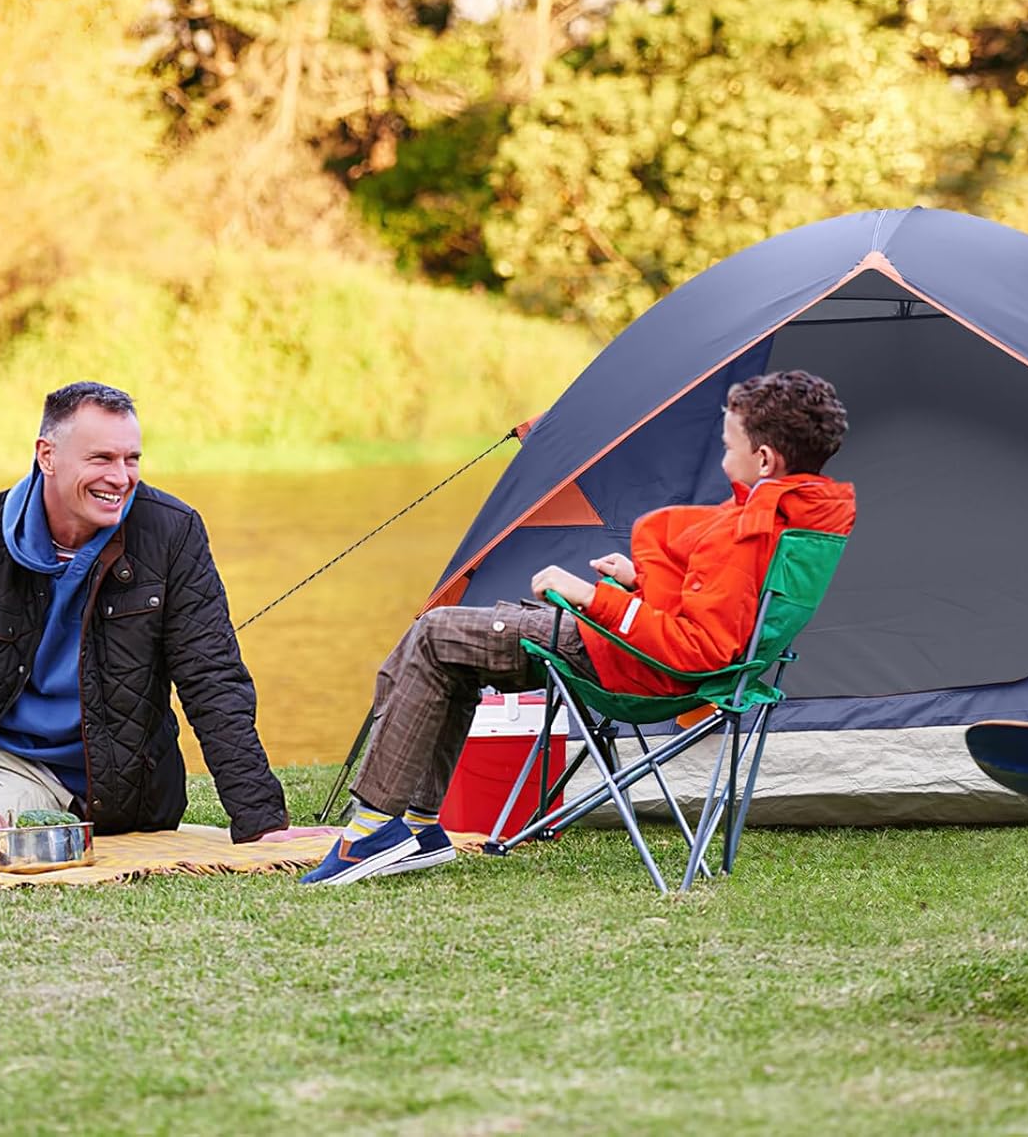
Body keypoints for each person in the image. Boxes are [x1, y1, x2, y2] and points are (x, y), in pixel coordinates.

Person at [302, 369, 856, 886]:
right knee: (451, 649)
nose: (723, 453)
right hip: (638, 659)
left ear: (764, 458)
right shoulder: (797, 519)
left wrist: (594, 598)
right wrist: (641, 579)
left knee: (433, 634)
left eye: (729, 444)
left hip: (627, 666)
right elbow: (722, 610)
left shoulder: (748, 533)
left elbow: (699, 647)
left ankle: (371, 832)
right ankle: (419, 828)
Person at [0, 381, 324, 845]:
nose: (121, 477)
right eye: (101, 458)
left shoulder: (173, 531)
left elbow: (213, 680)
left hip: (127, 786)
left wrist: (261, 821)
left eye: (132, 459)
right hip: (7, 760)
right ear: (47, 456)